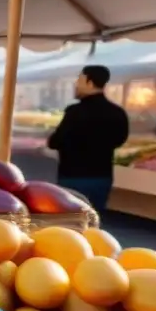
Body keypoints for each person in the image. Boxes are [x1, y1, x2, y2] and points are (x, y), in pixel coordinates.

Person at [47, 65, 130, 212]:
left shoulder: (75, 112)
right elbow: (120, 140)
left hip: (73, 176)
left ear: (90, 83)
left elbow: (55, 141)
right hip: (102, 176)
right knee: (94, 219)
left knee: (71, 220)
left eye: (79, 80)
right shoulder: (117, 112)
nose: (76, 85)